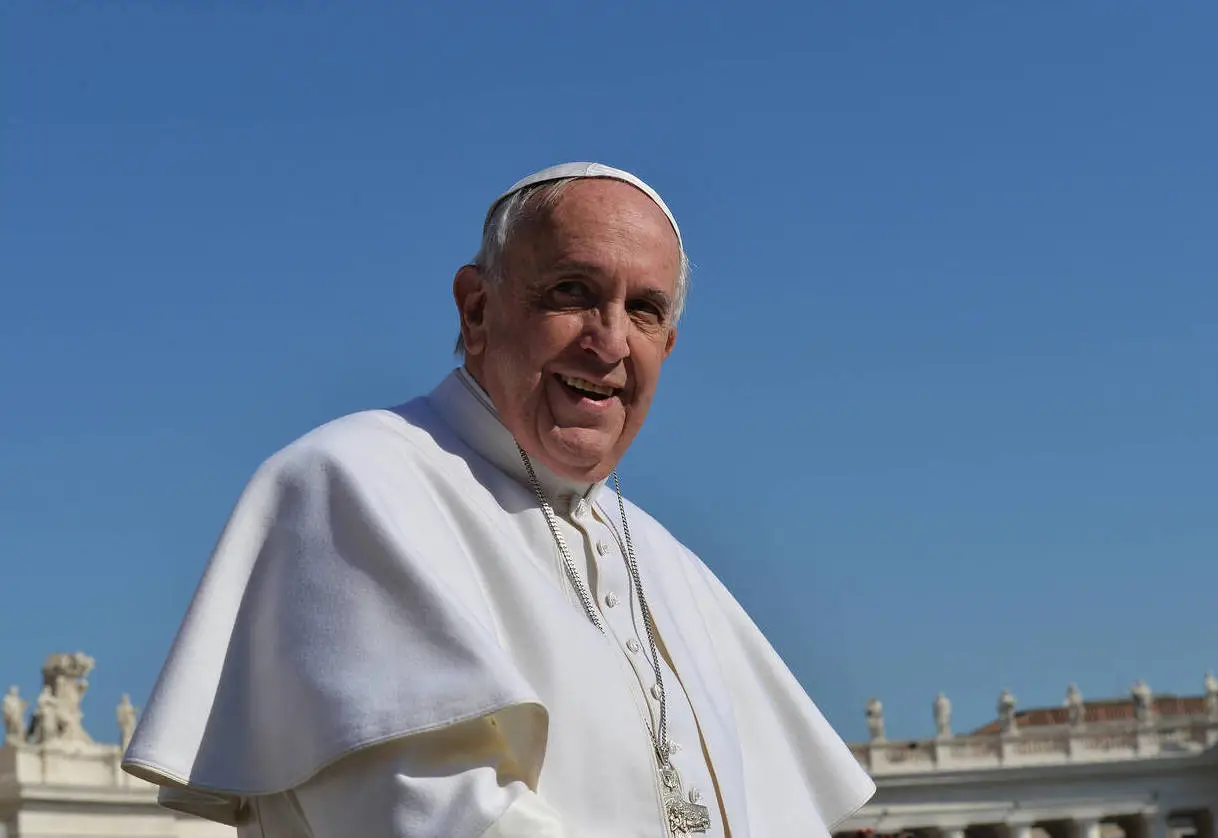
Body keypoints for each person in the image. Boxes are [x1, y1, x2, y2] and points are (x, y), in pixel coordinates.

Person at [122, 162, 875, 837]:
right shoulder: (352, 482)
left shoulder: (668, 561)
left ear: (667, 348)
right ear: (476, 310)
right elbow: (439, 818)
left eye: (643, 311)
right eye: (573, 292)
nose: (609, 343)